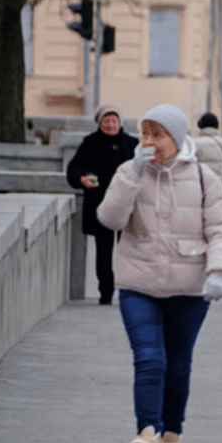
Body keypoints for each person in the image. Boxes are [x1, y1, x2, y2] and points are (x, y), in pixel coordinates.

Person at [96, 104, 222, 443]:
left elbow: (220, 229)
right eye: (144, 134)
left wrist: (219, 271)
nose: (149, 142)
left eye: (157, 135)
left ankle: (171, 439)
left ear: (175, 138)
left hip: (189, 288)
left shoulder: (205, 179)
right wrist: (132, 177)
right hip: (137, 284)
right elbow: (108, 219)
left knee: (177, 365)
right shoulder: (129, 172)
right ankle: (147, 434)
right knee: (149, 358)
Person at [66, 103, 138, 305]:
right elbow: (73, 169)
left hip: (127, 206)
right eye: (106, 121)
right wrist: (82, 179)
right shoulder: (90, 143)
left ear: (120, 123)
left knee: (128, 252)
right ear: (99, 123)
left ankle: (129, 291)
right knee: (103, 253)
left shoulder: (132, 144)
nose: (110, 125)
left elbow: (145, 171)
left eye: (114, 121)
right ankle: (105, 293)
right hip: (101, 205)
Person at [193, 112, 222, 178]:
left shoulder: (194, 143)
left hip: (201, 184)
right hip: (220, 185)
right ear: (217, 125)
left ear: (200, 125)